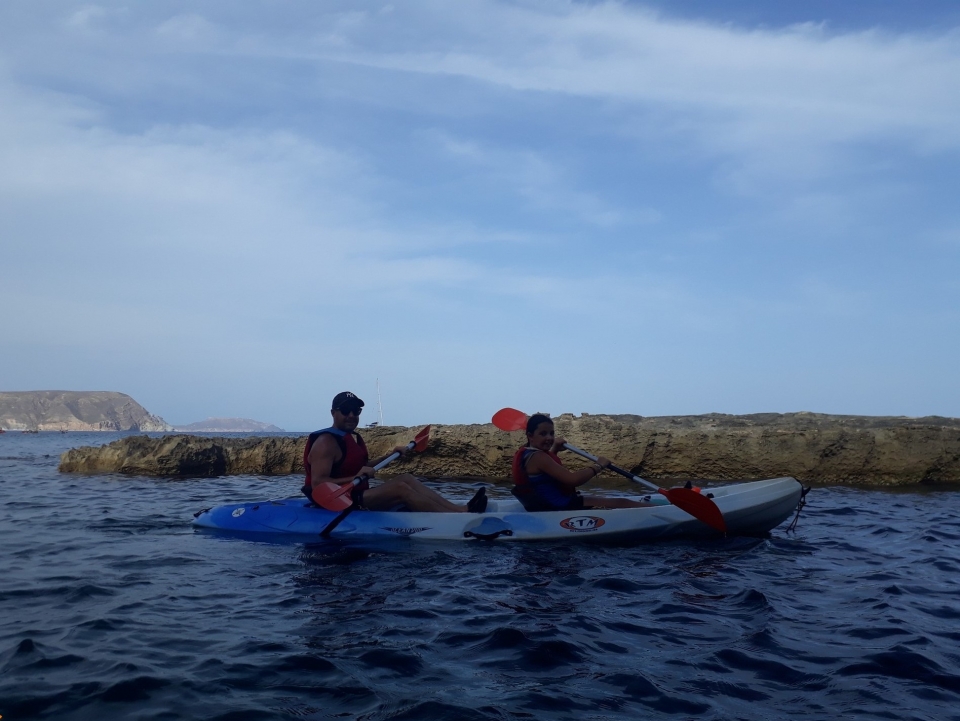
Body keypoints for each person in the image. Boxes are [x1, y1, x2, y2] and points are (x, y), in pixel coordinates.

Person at [303, 391, 487, 513]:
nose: (351, 415)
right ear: (333, 413)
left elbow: (362, 467)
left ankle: (459, 509)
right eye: (345, 410)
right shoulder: (325, 442)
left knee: (406, 478)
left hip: (352, 493)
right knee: (400, 488)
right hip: (332, 500)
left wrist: (390, 456)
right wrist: (354, 478)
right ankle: (457, 518)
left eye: (356, 411)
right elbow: (318, 483)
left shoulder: (353, 438)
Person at [512, 413, 653, 511]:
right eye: (543, 434)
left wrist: (554, 450)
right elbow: (572, 480)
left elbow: (546, 473)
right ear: (530, 436)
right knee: (621, 502)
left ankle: (657, 508)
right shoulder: (538, 457)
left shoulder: (528, 454)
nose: (549, 438)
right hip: (559, 506)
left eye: (551, 433)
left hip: (544, 505)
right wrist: (598, 466)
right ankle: (661, 511)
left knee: (611, 500)